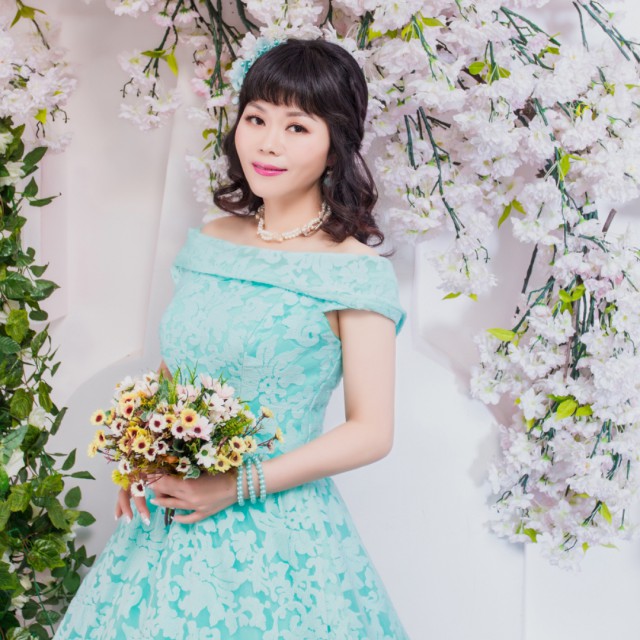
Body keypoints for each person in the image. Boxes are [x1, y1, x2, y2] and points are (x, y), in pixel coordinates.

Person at [55, 38, 409, 639]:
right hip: (169, 519)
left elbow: (371, 431)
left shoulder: (355, 271)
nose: (268, 143)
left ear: (336, 146)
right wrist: (144, 457)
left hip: (280, 530)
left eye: (297, 127)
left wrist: (235, 485)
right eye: (256, 118)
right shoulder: (211, 240)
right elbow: (179, 369)